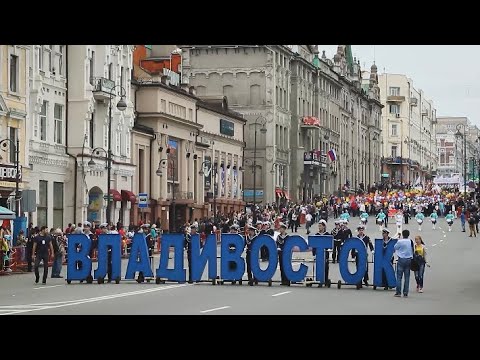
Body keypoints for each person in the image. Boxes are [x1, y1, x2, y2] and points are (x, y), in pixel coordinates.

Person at [393, 229, 414, 297]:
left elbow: (395, 247)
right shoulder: (410, 241)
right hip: (408, 259)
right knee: (407, 277)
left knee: (399, 276)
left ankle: (398, 292)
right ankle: (405, 292)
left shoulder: (400, 241)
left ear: (402, 234)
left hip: (401, 259)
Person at [313, 220, 330, 285]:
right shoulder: (317, 234)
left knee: (325, 267)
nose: (319, 227)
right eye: (318, 226)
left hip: (325, 253)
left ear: (324, 226)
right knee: (318, 266)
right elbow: (314, 245)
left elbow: (330, 244)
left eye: (320, 226)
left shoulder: (327, 235)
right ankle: (319, 279)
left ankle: (325, 280)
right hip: (318, 254)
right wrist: (314, 253)